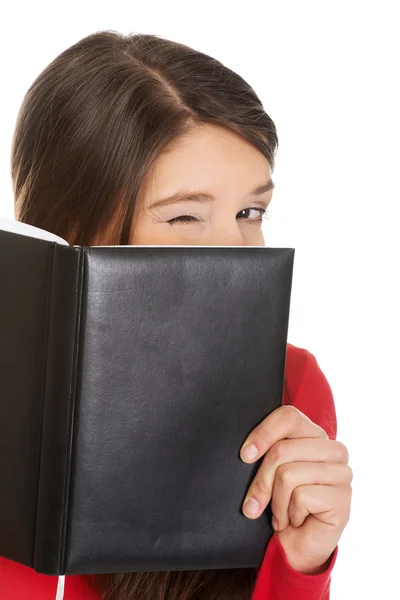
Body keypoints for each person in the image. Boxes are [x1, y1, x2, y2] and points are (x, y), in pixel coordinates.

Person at [0, 30, 352, 600]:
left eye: (250, 211)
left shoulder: (290, 396)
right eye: (185, 217)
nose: (238, 251)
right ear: (74, 230)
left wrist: (302, 561)